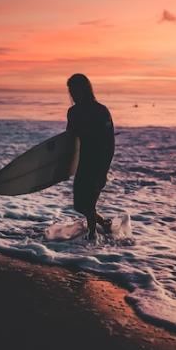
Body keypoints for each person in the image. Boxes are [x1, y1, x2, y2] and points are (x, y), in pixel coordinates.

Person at [66, 73, 115, 241]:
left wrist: (103, 172)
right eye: (70, 90)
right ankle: (104, 224)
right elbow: (69, 140)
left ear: (85, 89)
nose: (72, 93)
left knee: (89, 203)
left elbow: (110, 144)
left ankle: (92, 236)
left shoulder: (101, 111)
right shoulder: (72, 112)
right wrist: (64, 166)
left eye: (75, 89)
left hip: (97, 162)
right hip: (82, 163)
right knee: (80, 205)